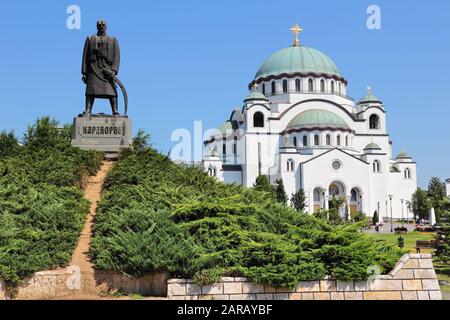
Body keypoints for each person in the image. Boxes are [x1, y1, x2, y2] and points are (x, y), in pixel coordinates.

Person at [82, 20, 120, 115]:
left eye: (103, 25)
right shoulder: (90, 39)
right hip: (93, 68)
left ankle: (115, 110)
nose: (101, 26)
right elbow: (85, 56)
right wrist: (84, 72)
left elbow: (116, 56)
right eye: (100, 25)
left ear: (106, 27)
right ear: (97, 26)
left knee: (112, 91)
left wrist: (114, 70)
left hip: (107, 70)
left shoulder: (112, 40)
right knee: (91, 90)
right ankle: (88, 109)